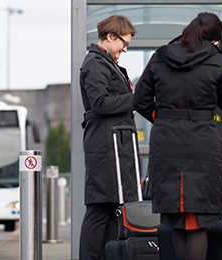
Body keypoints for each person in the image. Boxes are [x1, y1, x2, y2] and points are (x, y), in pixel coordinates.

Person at [132, 12, 222, 260]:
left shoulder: (161, 55)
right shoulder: (216, 59)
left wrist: (162, 120)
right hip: (201, 141)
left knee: (176, 220)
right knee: (198, 222)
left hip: (166, 142)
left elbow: (140, 100)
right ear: (214, 38)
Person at [77, 14, 137, 260]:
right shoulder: (95, 63)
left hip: (113, 144)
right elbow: (100, 103)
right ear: (110, 36)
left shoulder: (105, 63)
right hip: (105, 145)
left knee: (112, 207)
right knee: (100, 207)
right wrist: (137, 99)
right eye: (124, 42)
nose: (125, 48)